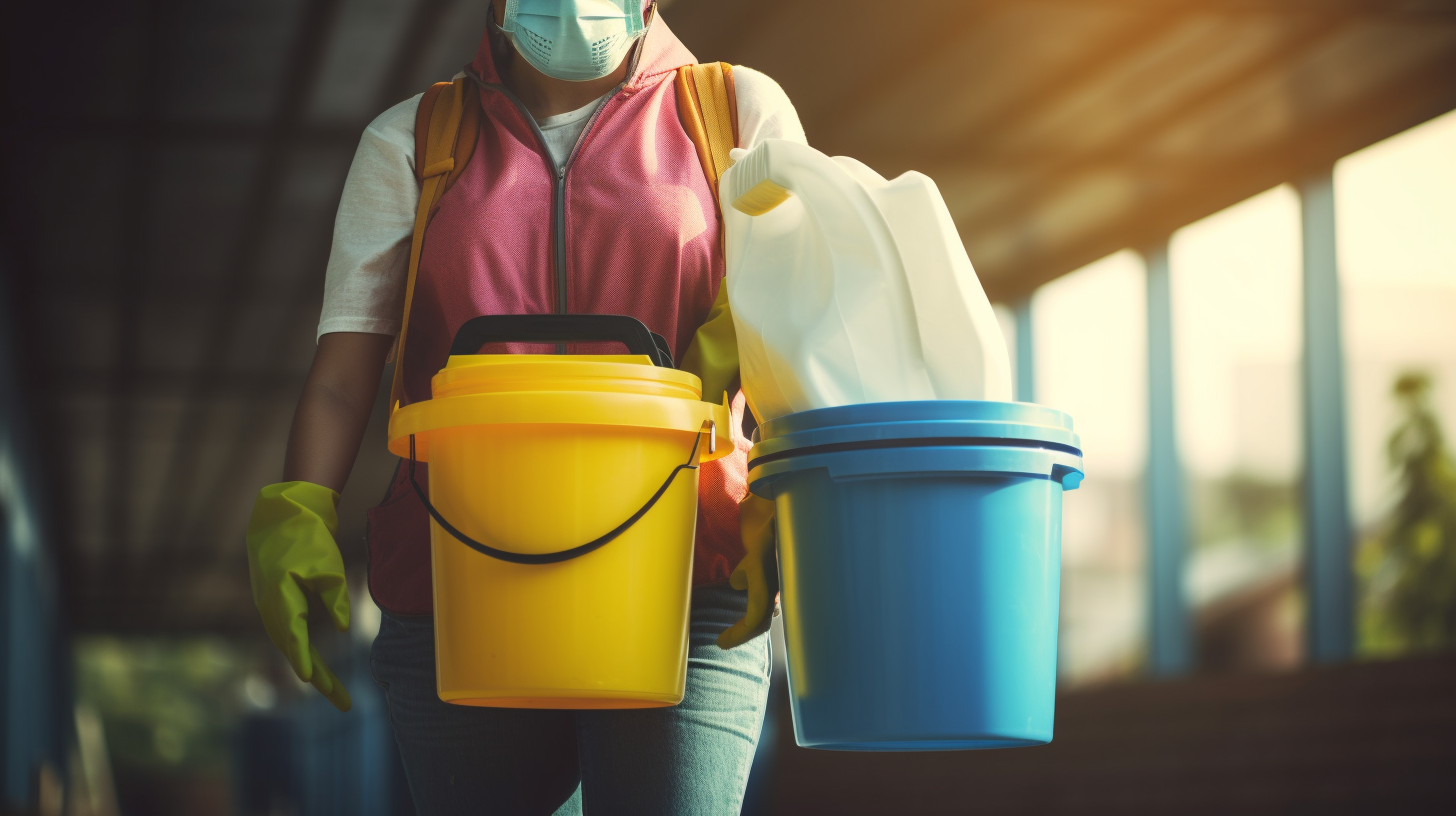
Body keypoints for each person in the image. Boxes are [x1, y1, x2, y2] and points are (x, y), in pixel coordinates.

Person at [243, 1, 806, 813]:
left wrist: (787, 486)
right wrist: (299, 506)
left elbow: (805, 320)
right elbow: (343, 372)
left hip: (686, 572)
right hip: (462, 576)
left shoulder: (733, 112)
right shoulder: (413, 142)